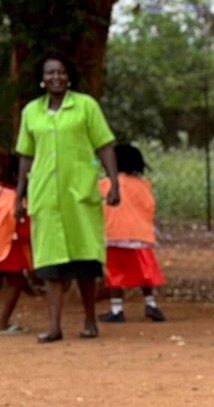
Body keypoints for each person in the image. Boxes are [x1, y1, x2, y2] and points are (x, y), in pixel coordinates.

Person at [14, 52, 120, 343]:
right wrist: (19, 197)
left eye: (61, 72)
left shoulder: (86, 106)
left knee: (85, 261)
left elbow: (105, 145)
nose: (55, 77)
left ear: (69, 76)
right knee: (49, 265)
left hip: (79, 194)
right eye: (50, 73)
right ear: (42, 79)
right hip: (45, 196)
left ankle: (89, 320)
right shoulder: (31, 112)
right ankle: (54, 326)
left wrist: (113, 182)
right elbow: (25, 156)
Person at [99, 143, 166, 323]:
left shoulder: (105, 185)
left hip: (114, 235)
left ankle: (117, 309)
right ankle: (151, 305)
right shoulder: (144, 186)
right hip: (141, 236)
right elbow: (149, 207)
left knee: (115, 274)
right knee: (145, 273)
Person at [0, 152, 32, 335]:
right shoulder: (13, 197)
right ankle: (2, 322)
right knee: (15, 281)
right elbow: (23, 226)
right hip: (7, 246)